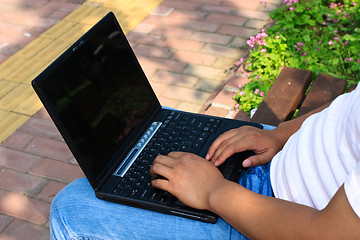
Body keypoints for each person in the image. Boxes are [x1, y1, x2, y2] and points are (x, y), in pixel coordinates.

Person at [50, 84, 360, 240]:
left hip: (278, 215)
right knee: (156, 125)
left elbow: (331, 235)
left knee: (71, 207)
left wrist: (213, 191)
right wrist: (281, 135)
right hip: (283, 157)